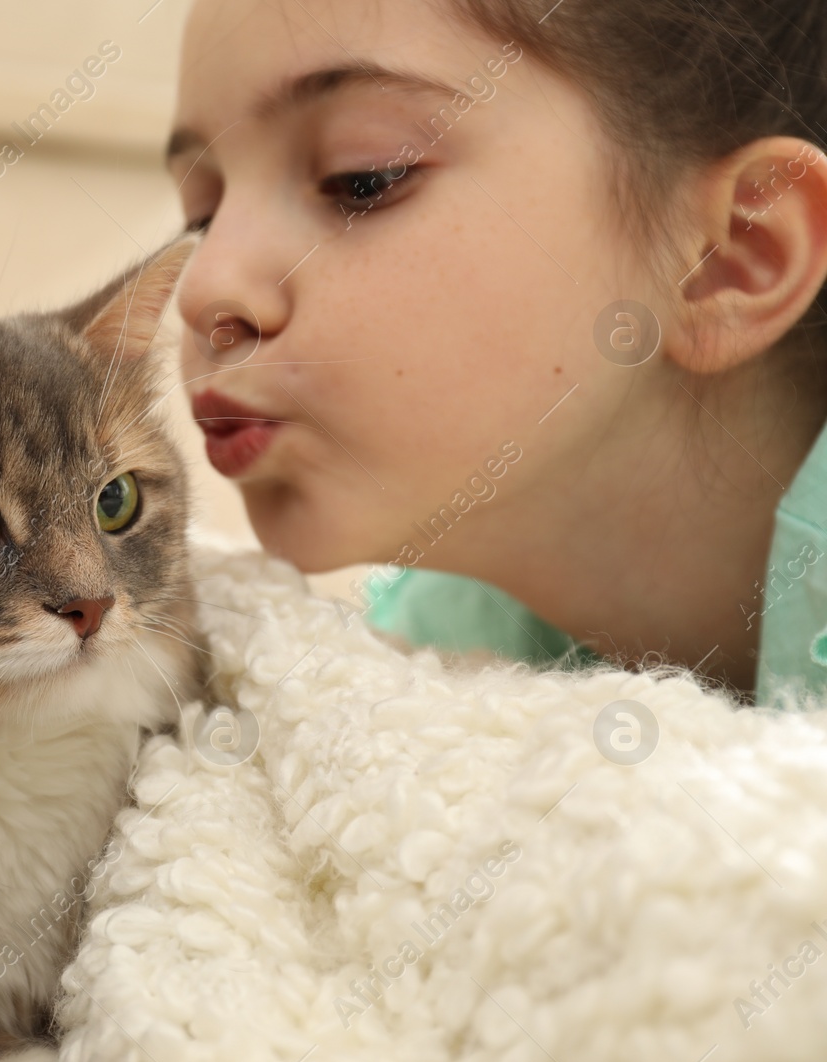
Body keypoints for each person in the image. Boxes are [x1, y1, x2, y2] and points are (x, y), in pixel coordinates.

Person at [169, 0, 827, 706]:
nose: (200, 287)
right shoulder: (438, 679)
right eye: (203, 217)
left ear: (732, 256)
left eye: (363, 179)